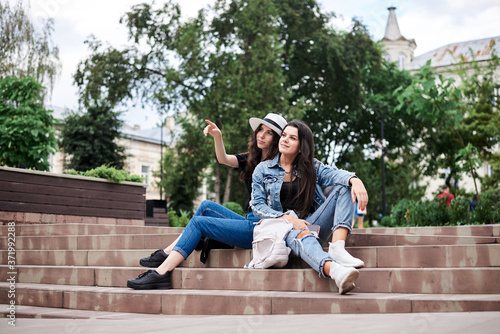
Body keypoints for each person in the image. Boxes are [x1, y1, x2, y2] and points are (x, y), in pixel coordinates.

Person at [127, 113, 288, 289]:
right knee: (205, 206)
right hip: (250, 221)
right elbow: (223, 159)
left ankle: (162, 272)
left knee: (198, 222)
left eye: (269, 132)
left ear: (277, 139)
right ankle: (168, 253)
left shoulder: (279, 166)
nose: (261, 135)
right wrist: (217, 137)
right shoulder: (252, 159)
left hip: (261, 229)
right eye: (260, 130)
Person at [249, 120, 368, 294]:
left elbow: (334, 174)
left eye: (292, 138)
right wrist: (287, 219)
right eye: (283, 135)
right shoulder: (263, 169)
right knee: (300, 234)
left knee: (345, 186)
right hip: (284, 231)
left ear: (301, 146)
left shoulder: (311, 166)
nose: (285, 140)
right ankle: (336, 271)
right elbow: (257, 206)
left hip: (312, 225)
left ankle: (337, 248)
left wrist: (355, 180)